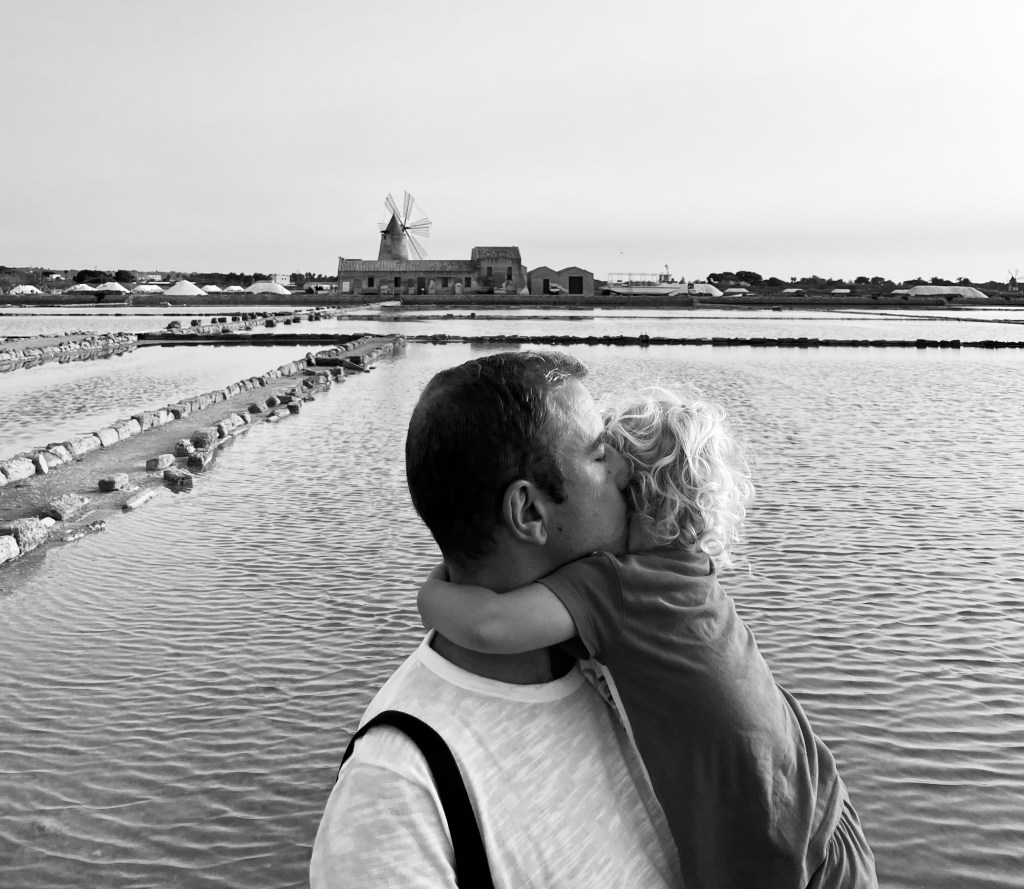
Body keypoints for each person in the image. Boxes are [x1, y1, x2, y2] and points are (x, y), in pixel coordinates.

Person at [419, 387, 879, 889]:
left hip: (777, 852)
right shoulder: (689, 568)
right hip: (825, 818)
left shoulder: (615, 584)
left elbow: (489, 625)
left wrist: (435, 585)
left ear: (633, 494)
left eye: (601, 472)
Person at [310, 352, 682, 888]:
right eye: (600, 455)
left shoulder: (623, 655)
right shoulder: (398, 795)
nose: (625, 472)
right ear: (529, 512)